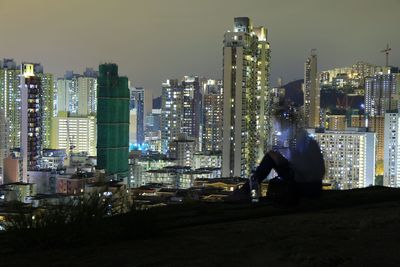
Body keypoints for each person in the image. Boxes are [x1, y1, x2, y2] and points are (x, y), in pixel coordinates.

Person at [228, 106, 325, 204]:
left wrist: (282, 161)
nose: (277, 127)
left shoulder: (301, 140)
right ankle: (246, 191)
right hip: (312, 185)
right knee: (272, 156)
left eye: (277, 124)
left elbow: (302, 168)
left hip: (306, 186)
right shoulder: (302, 137)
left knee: (270, 157)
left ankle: (245, 192)